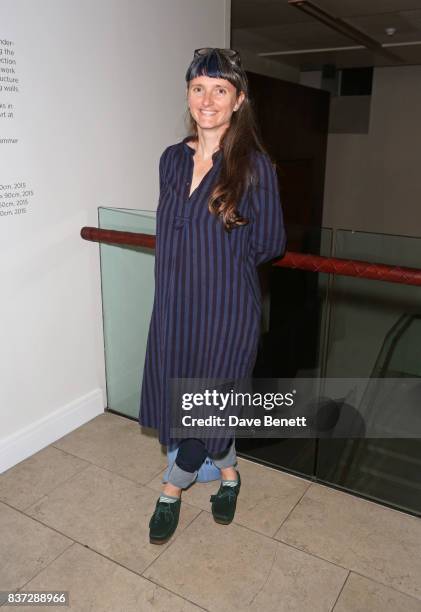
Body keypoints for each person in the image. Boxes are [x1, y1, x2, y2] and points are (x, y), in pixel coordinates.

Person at [138, 48, 286, 544]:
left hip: (227, 311)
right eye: (199, 88)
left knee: (208, 406)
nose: (208, 99)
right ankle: (230, 476)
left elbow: (271, 243)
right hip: (175, 308)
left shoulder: (255, 166)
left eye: (220, 89)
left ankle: (170, 493)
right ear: (187, 94)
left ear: (238, 99)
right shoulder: (170, 160)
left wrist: (222, 264)